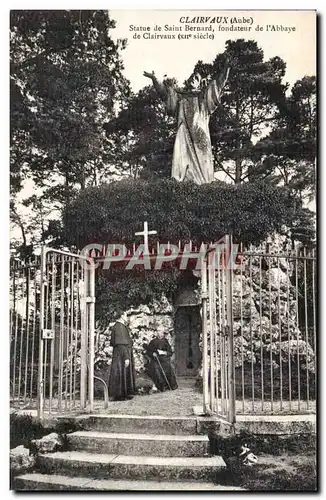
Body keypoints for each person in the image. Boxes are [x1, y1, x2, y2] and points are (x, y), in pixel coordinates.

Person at [143, 56, 230, 185]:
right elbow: (164, 94)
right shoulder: (180, 98)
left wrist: (226, 68)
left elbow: (218, 85)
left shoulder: (203, 98)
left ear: (199, 83)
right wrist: (155, 79)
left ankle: (205, 189)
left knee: (204, 167)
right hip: (183, 136)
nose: (192, 79)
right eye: (191, 77)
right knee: (182, 166)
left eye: (196, 78)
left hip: (200, 136)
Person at [108, 312, 136, 401]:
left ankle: (124, 394)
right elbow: (121, 343)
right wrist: (126, 357)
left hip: (120, 353)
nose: (126, 317)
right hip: (121, 354)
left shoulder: (119, 326)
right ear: (121, 316)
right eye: (125, 315)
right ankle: (120, 395)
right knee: (121, 373)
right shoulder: (119, 327)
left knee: (122, 373)